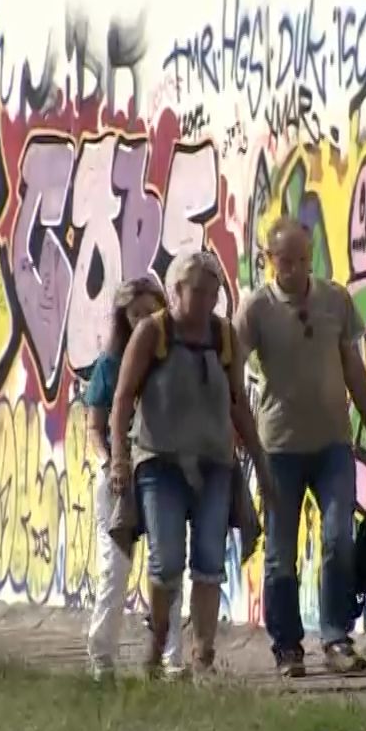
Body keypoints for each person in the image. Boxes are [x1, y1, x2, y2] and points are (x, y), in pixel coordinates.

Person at [236, 216, 366, 678]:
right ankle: (287, 646)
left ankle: (337, 637)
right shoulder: (256, 309)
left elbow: (353, 366)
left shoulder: (334, 299)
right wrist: (237, 434)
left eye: (303, 259)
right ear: (269, 260)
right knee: (280, 550)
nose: (296, 269)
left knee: (339, 538)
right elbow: (230, 368)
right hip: (278, 448)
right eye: (286, 261)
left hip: (333, 444)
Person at [111, 250, 270, 676]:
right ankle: (159, 636)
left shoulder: (223, 337)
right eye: (197, 291)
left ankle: (203, 655)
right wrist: (120, 459)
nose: (205, 301)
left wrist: (259, 461)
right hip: (159, 462)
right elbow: (122, 399)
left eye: (212, 293)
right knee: (165, 560)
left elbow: (238, 403)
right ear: (176, 290)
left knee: (209, 561)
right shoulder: (153, 332)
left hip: (215, 464)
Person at [83, 276, 183, 681]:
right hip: (119, 478)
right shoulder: (110, 366)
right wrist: (111, 461)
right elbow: (94, 428)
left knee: (168, 565)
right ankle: (101, 656)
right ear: (123, 319)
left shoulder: (172, 361)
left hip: (162, 471)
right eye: (134, 314)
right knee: (116, 569)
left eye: (149, 312)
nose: (143, 320)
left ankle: (172, 658)